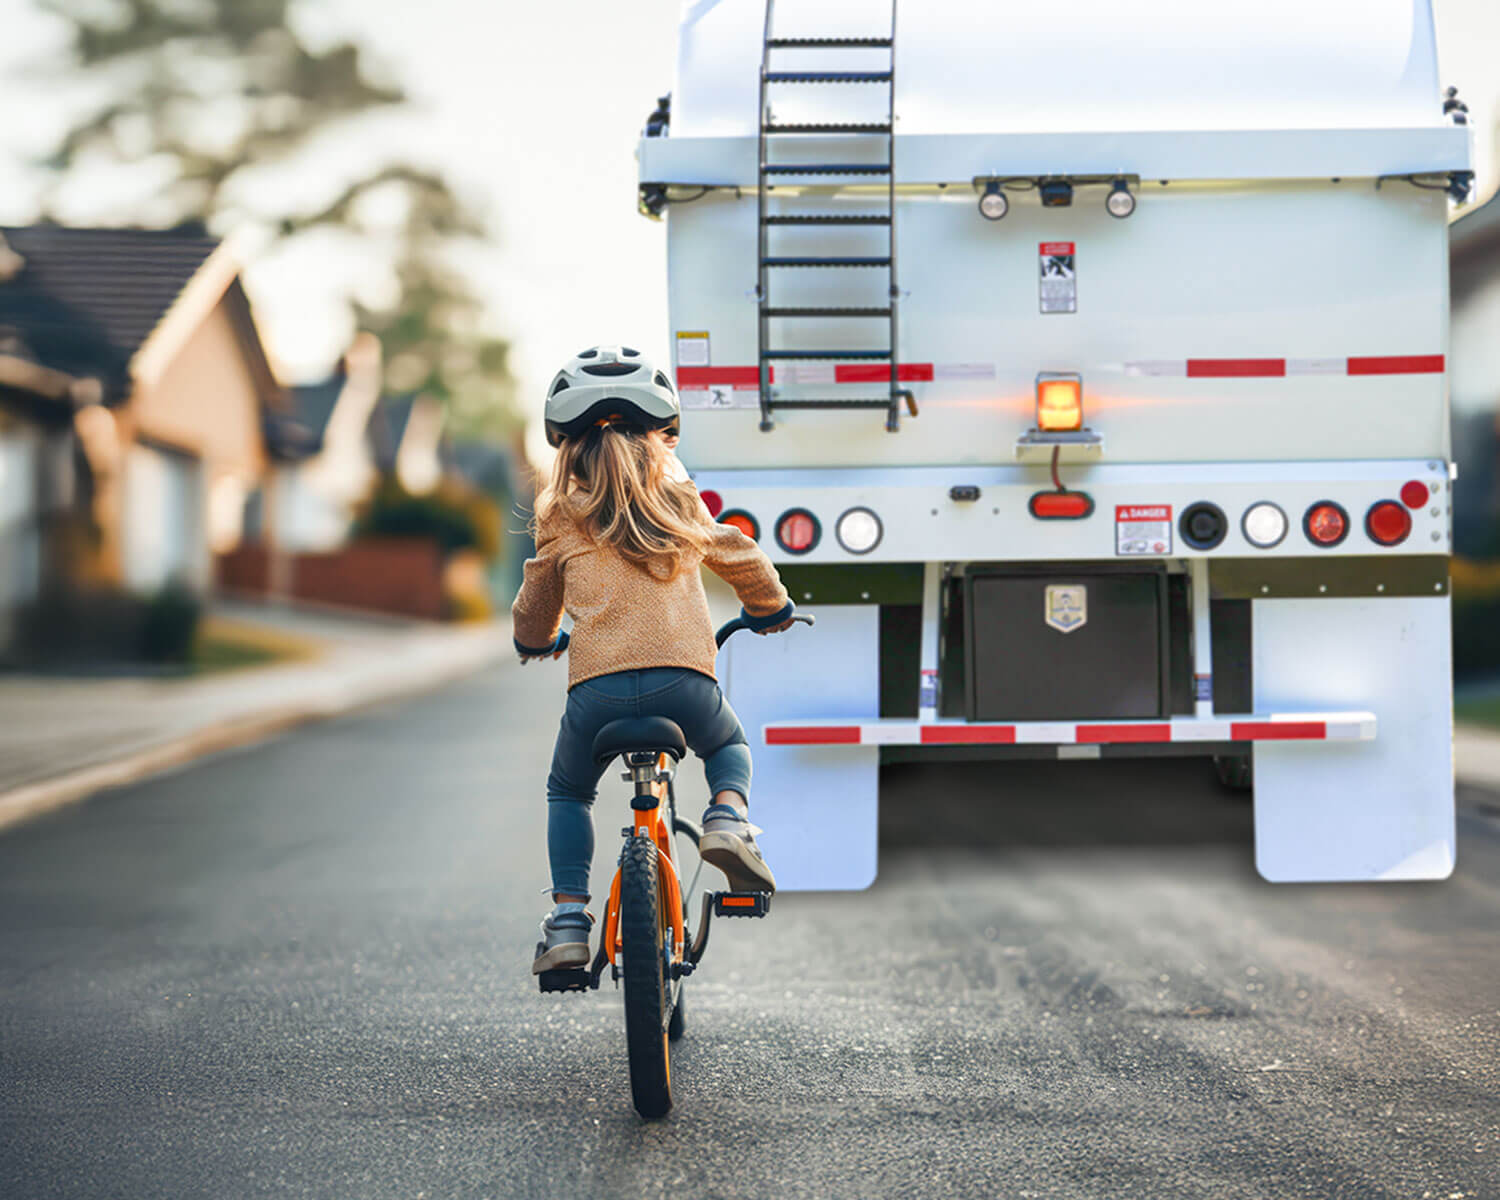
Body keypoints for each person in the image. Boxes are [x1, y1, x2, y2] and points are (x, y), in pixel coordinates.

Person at [512, 345, 794, 976]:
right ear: (659, 442)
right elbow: (741, 554)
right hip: (685, 685)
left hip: (597, 695)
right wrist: (771, 606)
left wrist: (534, 640)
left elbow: (535, 603)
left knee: (567, 791)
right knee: (728, 748)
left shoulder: (559, 516)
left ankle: (567, 922)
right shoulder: (680, 501)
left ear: (567, 450)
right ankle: (727, 818)